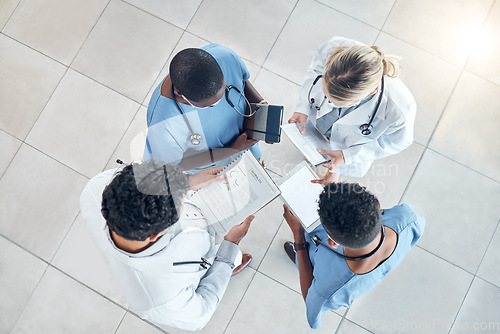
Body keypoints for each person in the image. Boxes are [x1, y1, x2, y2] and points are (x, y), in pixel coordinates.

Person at [80, 161, 253, 331]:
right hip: (204, 261)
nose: (185, 195)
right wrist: (229, 248)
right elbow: (202, 313)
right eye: (182, 200)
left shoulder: (97, 188)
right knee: (228, 262)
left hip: (202, 234)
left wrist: (188, 181)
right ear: (156, 235)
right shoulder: (162, 299)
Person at [282, 182, 425, 329]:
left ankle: (299, 259)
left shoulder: (330, 285)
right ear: (378, 205)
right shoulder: (406, 218)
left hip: (311, 258)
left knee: (304, 262)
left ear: (332, 242)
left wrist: (299, 240)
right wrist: (336, 193)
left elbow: (311, 309)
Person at [289, 36, 416, 182]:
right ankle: (319, 155)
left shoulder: (399, 109)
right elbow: (315, 69)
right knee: (320, 140)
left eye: (336, 102)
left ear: (369, 93)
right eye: (326, 94)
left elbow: (398, 142)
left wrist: (347, 155)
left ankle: (333, 171)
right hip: (324, 122)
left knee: (338, 152)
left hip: (351, 142)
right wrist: (303, 107)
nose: (328, 102)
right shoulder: (334, 47)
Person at [144, 44, 266, 173]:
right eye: (208, 105)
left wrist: (262, 108)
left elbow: (242, 81)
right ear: (179, 93)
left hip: (247, 143)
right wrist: (231, 150)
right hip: (217, 168)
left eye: (225, 91)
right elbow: (175, 165)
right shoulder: (163, 124)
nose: (219, 103)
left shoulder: (224, 56)